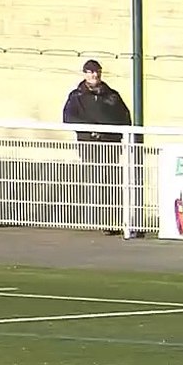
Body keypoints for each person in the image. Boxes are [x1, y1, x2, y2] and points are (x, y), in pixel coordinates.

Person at [61, 59, 135, 235]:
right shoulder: (76, 96)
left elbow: (125, 118)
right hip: (89, 146)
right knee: (95, 181)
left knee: (111, 183)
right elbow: (69, 118)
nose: (95, 75)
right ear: (85, 74)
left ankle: (112, 222)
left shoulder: (112, 96)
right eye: (91, 72)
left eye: (97, 72)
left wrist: (109, 132)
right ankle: (96, 219)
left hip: (110, 146)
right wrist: (91, 130)